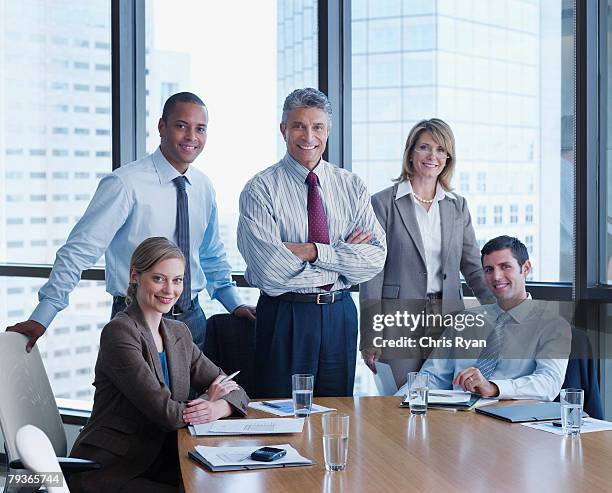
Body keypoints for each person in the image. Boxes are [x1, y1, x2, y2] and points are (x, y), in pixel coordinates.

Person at [7, 92, 255, 352]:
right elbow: (79, 252)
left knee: (194, 393)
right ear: (162, 127)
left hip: (191, 320)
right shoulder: (125, 184)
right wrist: (42, 315)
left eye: (200, 129)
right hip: (136, 317)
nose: (191, 137)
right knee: (140, 393)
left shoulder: (203, 187)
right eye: (181, 126)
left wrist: (234, 304)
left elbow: (211, 254)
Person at [69, 237, 249, 493]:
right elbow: (166, 413)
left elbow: (237, 392)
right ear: (135, 277)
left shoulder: (178, 333)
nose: (169, 290)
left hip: (165, 459)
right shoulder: (120, 333)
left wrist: (216, 407)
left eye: (177, 280)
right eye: (158, 278)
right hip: (113, 469)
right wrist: (209, 399)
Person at [237, 87, 386, 397]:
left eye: (317, 126)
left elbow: (375, 258)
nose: (309, 136)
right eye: (298, 126)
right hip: (285, 317)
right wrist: (343, 258)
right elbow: (270, 273)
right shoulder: (260, 189)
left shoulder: (351, 185)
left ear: (327, 131)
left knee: (336, 413)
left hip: (340, 315)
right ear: (284, 130)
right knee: (279, 414)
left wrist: (311, 251)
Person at [360, 118, 493, 387]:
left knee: (447, 404)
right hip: (398, 321)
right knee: (400, 403)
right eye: (424, 147)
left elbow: (473, 267)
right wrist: (371, 334)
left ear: (448, 157)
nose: (433, 156)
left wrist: (505, 310)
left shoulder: (457, 206)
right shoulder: (383, 203)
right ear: (411, 153)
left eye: (441, 150)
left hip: (449, 320)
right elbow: (372, 273)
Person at [396, 236, 570, 401]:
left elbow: (549, 383)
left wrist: (493, 387)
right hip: (456, 419)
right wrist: (393, 402)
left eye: (505, 266)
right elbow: (432, 376)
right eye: (489, 270)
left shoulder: (553, 325)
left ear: (525, 269)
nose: (496, 276)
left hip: (510, 420)